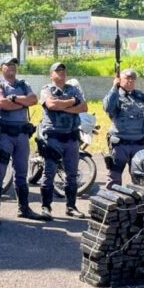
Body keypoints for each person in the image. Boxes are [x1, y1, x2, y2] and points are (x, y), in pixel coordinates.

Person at [0, 57, 48, 223]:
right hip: (3, 134)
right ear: (1, 67)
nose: (12, 67)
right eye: (8, 64)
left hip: (21, 135)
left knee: (22, 173)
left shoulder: (23, 84)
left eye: (14, 64)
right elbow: (0, 104)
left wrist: (13, 99)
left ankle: (24, 208)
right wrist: (22, 102)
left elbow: (33, 100)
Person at [39, 62, 88, 219]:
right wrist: (72, 102)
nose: (61, 72)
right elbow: (51, 104)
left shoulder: (73, 89)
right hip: (53, 138)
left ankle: (71, 207)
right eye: (57, 70)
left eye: (63, 70)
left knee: (72, 175)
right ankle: (46, 207)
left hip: (71, 137)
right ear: (51, 75)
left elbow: (84, 107)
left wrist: (64, 105)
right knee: (49, 173)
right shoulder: (47, 89)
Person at [103, 68, 144, 188]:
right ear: (120, 80)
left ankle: (137, 205)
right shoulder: (115, 96)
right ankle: (113, 203)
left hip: (139, 144)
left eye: (133, 79)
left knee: (140, 178)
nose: (130, 81)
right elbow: (108, 108)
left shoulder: (142, 97)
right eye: (127, 78)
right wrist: (114, 87)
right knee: (114, 178)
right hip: (120, 145)